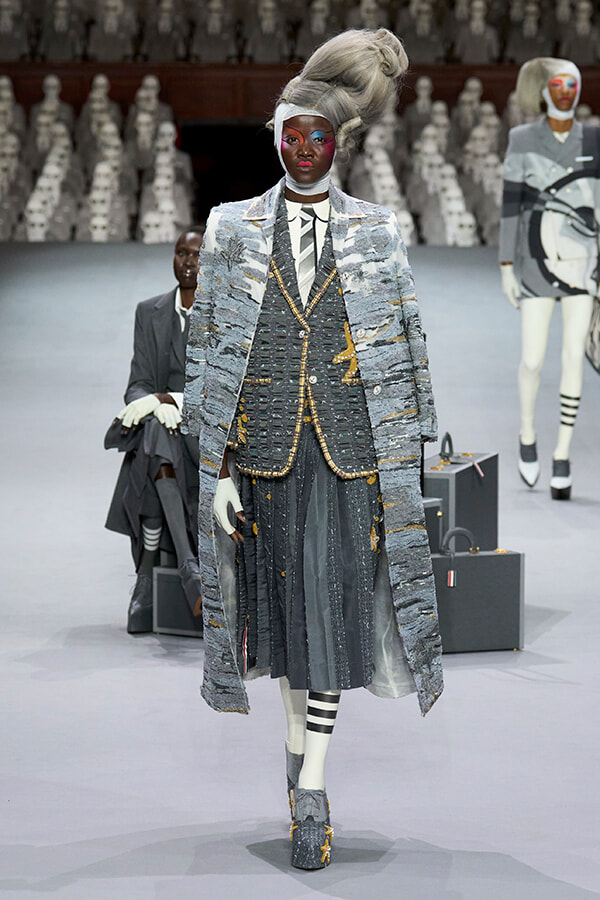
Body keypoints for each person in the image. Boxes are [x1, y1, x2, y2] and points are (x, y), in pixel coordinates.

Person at [182, 29, 443, 870]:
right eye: (291, 134)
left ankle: (314, 785)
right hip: (264, 455)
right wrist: (217, 466)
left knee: (330, 617)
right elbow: (209, 347)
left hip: (349, 454)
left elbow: (406, 342)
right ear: (273, 136)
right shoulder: (230, 228)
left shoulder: (378, 231)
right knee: (289, 627)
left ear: (341, 143)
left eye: (318, 135)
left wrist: (410, 460)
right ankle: (300, 759)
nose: (303, 149)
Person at [499, 57, 600, 499]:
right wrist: (506, 264)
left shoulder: (594, 139)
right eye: (557, 84)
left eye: (571, 84)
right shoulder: (522, 139)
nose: (565, 92)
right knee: (533, 360)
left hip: (583, 261)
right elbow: (511, 204)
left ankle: (562, 454)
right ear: (543, 91)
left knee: (574, 357)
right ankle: (527, 434)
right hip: (536, 261)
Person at [105, 227, 205, 632]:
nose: (188, 262)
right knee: (154, 436)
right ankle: (188, 568)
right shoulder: (150, 312)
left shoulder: (226, 317)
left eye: (197, 254)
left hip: (205, 434)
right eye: (181, 253)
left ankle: (145, 579)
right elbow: (138, 383)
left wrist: (168, 401)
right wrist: (150, 402)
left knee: (149, 447)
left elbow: (226, 388)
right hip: (162, 433)